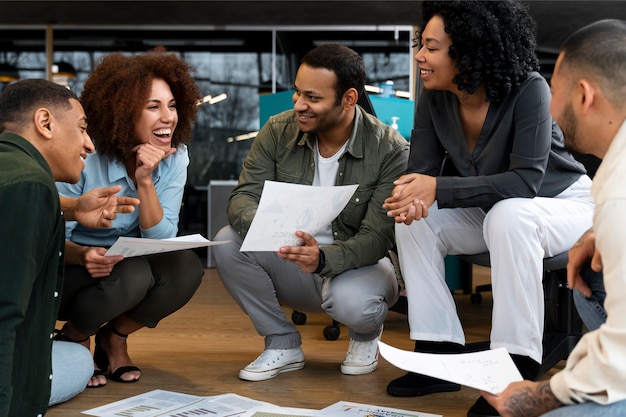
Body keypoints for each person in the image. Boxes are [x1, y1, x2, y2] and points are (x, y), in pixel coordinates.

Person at [382, 2, 594, 416]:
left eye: (431, 47)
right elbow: (421, 173)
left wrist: (436, 187)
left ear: (468, 51)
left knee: (510, 214)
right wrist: (409, 199)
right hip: (494, 208)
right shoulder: (434, 98)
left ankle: (515, 370)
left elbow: (524, 182)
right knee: (417, 225)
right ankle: (438, 352)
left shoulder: (529, 88)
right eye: (420, 45)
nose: (419, 56)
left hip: (563, 204)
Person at [212, 43, 409, 381]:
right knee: (227, 242)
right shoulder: (277, 130)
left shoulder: (391, 149)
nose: (300, 105)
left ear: (348, 99)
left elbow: (377, 238)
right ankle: (282, 342)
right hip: (292, 258)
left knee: (353, 302)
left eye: (313, 98)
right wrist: (272, 226)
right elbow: (243, 196)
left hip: (359, 269)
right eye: (297, 93)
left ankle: (365, 337)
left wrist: (322, 259)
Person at [482, 19, 626, 417]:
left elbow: (621, 353)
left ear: (584, 95)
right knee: (591, 279)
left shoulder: (618, 192)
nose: (548, 108)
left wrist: (534, 397)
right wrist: (599, 233)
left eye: (554, 92)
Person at [55, 47, 205, 388]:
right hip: (71, 272)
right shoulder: (84, 154)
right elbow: (49, 237)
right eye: (153, 107)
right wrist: (83, 255)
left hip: (127, 263)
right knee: (134, 273)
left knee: (186, 268)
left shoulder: (175, 156)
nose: (168, 117)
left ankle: (113, 338)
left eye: (171, 105)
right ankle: (75, 338)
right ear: (121, 114)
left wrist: (145, 180)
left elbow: (161, 241)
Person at [0, 78, 94, 416]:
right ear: (45, 122)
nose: (89, 145)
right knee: (79, 360)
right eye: (82, 129)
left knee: (78, 358)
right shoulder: (31, 187)